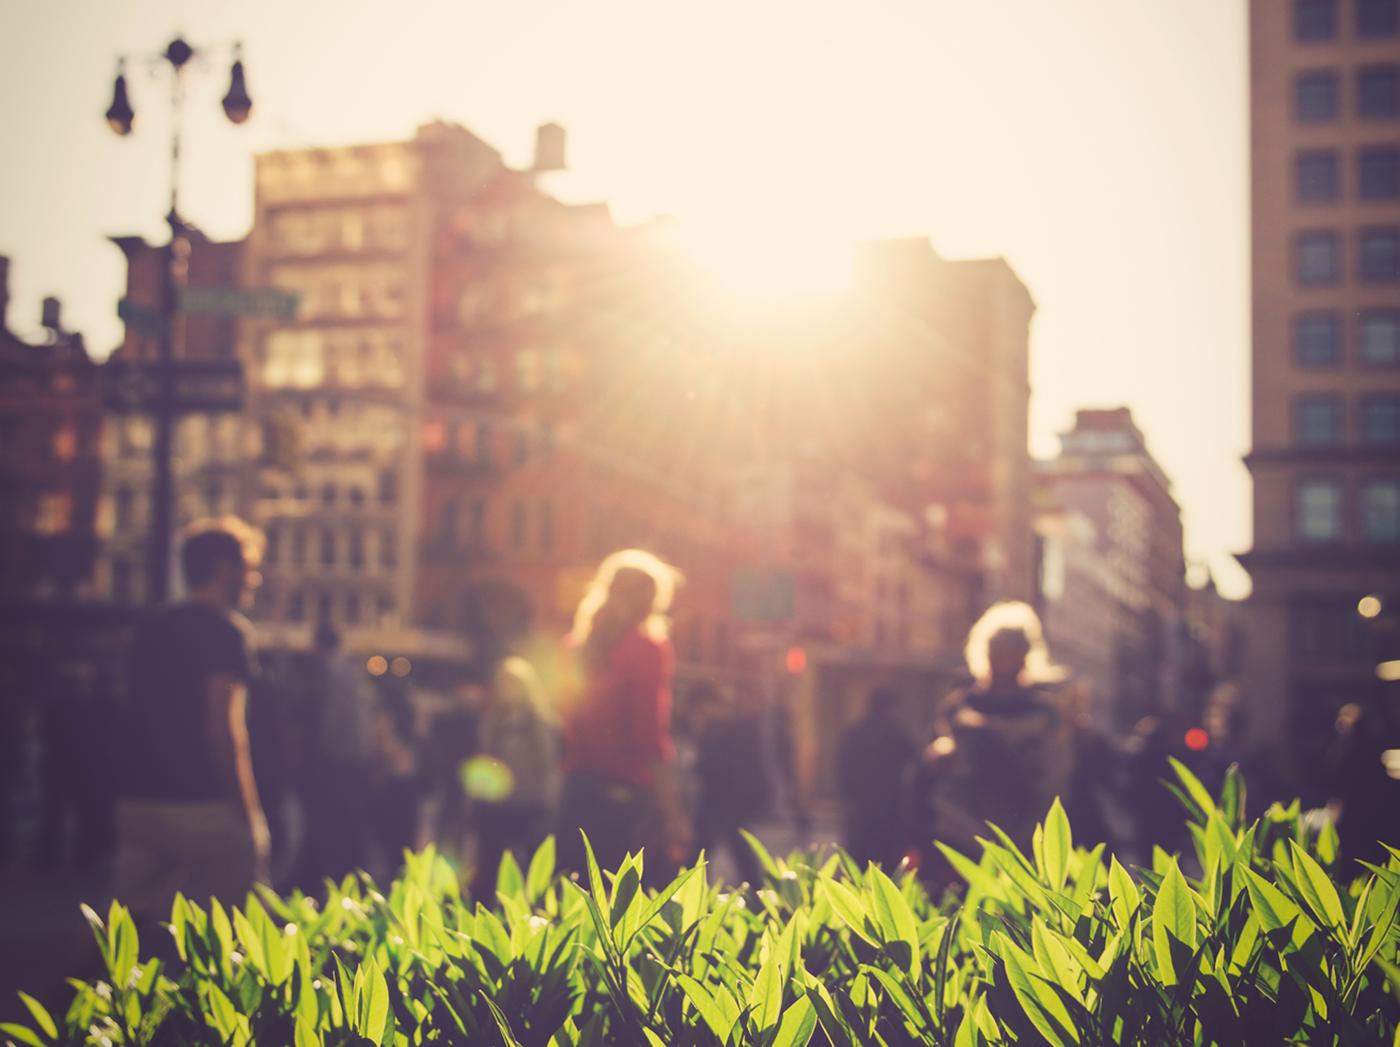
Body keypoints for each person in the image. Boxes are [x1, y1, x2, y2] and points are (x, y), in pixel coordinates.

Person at [112, 517, 267, 921]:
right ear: (224, 569)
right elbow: (225, 726)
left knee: (116, 926)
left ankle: (61, 986)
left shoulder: (151, 626)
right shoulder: (227, 632)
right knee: (239, 925)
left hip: (140, 800)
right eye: (248, 568)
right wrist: (247, 809)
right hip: (202, 803)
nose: (254, 578)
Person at [557, 550, 691, 882]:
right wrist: (672, 812)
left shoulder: (575, 647)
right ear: (652, 602)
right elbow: (650, 736)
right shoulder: (648, 649)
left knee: (579, 896)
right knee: (628, 903)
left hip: (577, 788)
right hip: (627, 794)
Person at [917, 602, 1075, 866]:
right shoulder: (959, 706)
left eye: (1009, 652)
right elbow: (935, 764)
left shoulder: (1044, 712)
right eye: (997, 651)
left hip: (1027, 832)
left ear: (1025, 655)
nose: (1002, 659)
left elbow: (1056, 778)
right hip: (960, 832)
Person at [294, 622, 377, 888]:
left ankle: (329, 879)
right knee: (348, 823)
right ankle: (350, 877)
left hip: (336, 762)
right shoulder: (353, 671)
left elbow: (333, 721)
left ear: (318, 645)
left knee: (331, 822)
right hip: (355, 760)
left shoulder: (329, 672)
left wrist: (321, 757)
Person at [470, 652, 560, 896]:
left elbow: (547, 765)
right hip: (497, 807)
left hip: (528, 807)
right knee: (489, 870)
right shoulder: (492, 721)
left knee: (529, 874)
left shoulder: (539, 724)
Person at [690, 681, 769, 885]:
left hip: (725, 799)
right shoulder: (723, 726)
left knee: (708, 849)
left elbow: (725, 765)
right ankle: (756, 890)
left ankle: (756, 891)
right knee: (712, 848)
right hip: (720, 798)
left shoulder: (732, 729)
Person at [837, 687, 919, 869]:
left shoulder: (854, 733)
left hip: (861, 807)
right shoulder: (897, 735)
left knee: (856, 861)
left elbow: (843, 768)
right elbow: (915, 763)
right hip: (889, 808)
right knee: (886, 862)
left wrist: (848, 796)